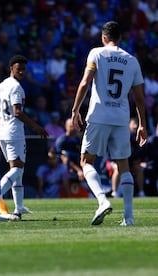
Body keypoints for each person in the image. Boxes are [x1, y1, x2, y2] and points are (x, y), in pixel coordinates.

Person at [71, 21, 147, 226]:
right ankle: (129, 217)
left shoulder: (96, 53)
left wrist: (75, 110)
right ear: (120, 38)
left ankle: (103, 200)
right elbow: (139, 97)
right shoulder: (132, 61)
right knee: (124, 165)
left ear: (104, 38)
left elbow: (85, 82)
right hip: (121, 119)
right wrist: (142, 124)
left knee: (86, 161)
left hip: (98, 116)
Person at [0, 54, 48, 217]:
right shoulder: (16, 87)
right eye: (19, 69)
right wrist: (37, 127)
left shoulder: (2, 85)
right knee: (17, 169)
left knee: (17, 171)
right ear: (11, 69)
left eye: (24, 69)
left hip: (2, 131)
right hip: (13, 132)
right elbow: (17, 112)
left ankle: (19, 207)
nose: (22, 72)